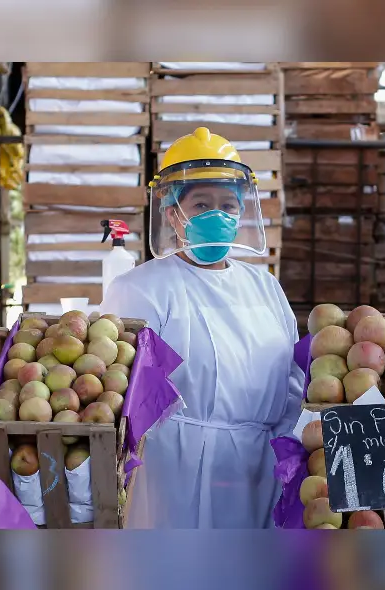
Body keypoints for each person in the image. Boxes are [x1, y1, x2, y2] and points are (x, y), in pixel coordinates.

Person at [100, 127, 305, 529]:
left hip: (257, 471)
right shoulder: (139, 290)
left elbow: (293, 383)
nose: (217, 215)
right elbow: (120, 398)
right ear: (173, 212)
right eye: (201, 204)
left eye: (228, 204)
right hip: (171, 474)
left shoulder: (264, 287)